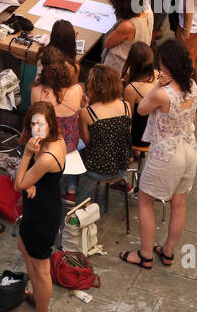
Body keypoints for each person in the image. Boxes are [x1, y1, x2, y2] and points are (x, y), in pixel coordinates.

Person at [120, 39, 197, 271]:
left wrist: (157, 85)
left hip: (166, 153)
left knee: (145, 201)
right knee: (179, 203)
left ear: (164, 65)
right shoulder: (193, 86)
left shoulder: (163, 94)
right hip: (189, 148)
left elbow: (142, 108)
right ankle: (168, 251)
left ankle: (144, 254)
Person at [12, 101, 66, 312]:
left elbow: (18, 183)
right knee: (23, 246)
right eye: (33, 124)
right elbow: (27, 181)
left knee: (41, 269)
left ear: (50, 123)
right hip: (37, 205)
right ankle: (37, 294)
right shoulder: (51, 138)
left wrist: (27, 160)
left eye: (40, 124)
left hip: (43, 214)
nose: (36, 129)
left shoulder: (46, 156)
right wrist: (31, 183)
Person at [26, 54, 84, 202]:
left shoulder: (37, 90)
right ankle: (71, 188)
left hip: (44, 144)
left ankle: (34, 180)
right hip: (70, 143)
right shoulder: (77, 89)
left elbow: (34, 118)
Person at [78, 65, 132, 204]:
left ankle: (70, 191)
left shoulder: (87, 112)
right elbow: (124, 136)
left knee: (74, 145)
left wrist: (84, 108)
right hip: (121, 167)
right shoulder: (126, 106)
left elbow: (87, 141)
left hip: (96, 168)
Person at [102, 0, 153, 73]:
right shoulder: (148, 12)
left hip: (118, 67)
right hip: (135, 63)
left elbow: (107, 43)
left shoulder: (127, 26)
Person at [121, 41, 158, 155]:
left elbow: (128, 117)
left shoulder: (132, 88)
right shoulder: (157, 74)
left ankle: (130, 153)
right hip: (157, 133)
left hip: (140, 138)